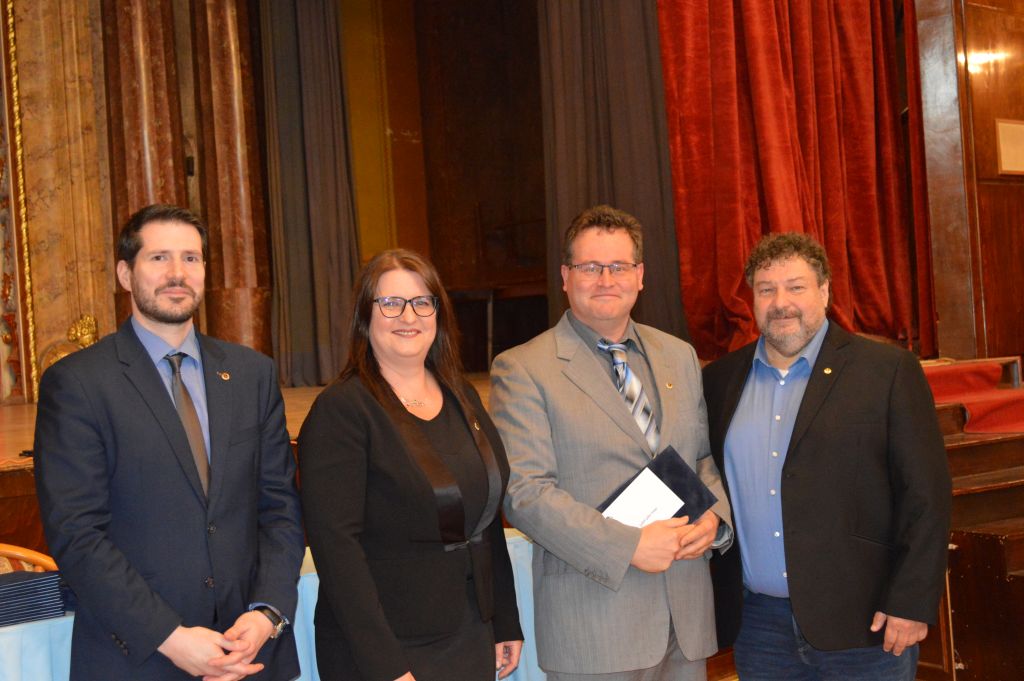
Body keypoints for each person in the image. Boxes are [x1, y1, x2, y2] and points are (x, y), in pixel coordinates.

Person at [34, 204, 305, 681]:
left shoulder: (252, 374)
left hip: (250, 655)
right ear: (125, 273)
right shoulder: (77, 383)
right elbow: (77, 533)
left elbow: (280, 508)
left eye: (191, 258)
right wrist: (170, 637)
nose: (178, 273)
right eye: (159, 258)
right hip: (138, 659)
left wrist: (267, 613)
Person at [490, 205, 733, 681]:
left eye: (619, 266)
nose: (606, 279)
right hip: (595, 627)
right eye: (590, 267)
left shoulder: (679, 356)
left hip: (685, 619)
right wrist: (629, 547)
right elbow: (525, 494)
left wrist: (714, 518)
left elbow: (701, 457)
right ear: (566, 277)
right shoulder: (523, 369)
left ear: (640, 276)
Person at [702, 232, 952, 680]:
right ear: (751, 299)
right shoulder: (720, 381)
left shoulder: (886, 372)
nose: (781, 303)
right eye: (766, 289)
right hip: (759, 628)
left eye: (796, 287)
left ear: (824, 292)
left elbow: (926, 496)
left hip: (866, 624)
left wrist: (912, 602)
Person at [297, 248, 523, 681]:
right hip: (386, 650)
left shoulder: (461, 394)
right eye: (391, 303)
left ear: (438, 312)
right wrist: (387, 668)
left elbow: (484, 517)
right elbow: (337, 552)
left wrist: (504, 619)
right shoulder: (342, 411)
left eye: (422, 302)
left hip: (470, 632)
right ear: (365, 315)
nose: (408, 316)